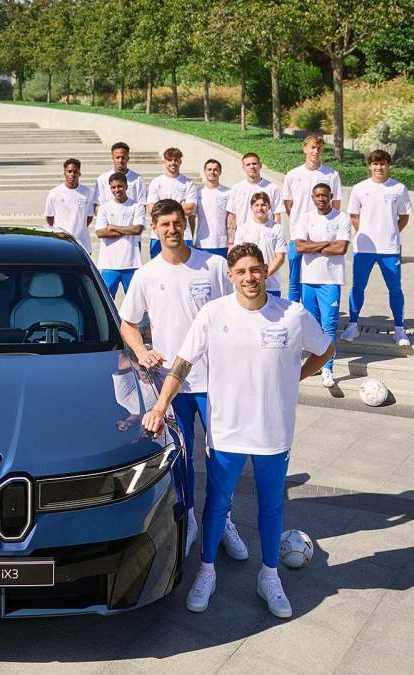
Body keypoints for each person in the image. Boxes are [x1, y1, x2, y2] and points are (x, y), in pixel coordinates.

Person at [142, 243, 334, 620]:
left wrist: (294, 377)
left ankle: (269, 576)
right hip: (227, 430)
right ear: (230, 276)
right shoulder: (214, 313)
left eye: (255, 269)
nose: (250, 277)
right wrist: (160, 406)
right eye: (241, 271)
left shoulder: (292, 315)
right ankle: (207, 571)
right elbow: (182, 363)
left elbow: (325, 349)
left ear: (265, 271)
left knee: (271, 506)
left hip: (273, 431)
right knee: (217, 504)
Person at [119, 199, 248, 560]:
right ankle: (189, 518)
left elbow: (239, 311)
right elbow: (128, 323)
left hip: (217, 380)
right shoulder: (147, 275)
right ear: (155, 229)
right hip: (171, 384)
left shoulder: (214, 266)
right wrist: (142, 351)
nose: (172, 229)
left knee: (222, 455)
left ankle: (223, 520)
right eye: (165, 224)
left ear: (186, 224)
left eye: (177, 222)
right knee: (183, 456)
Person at [342, 149, 413, 347]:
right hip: (364, 249)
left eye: (382, 164)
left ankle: (399, 330)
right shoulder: (359, 188)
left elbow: (404, 216)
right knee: (358, 288)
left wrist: (391, 232)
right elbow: (354, 215)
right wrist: (366, 233)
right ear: (369, 166)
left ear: (388, 165)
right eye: (375, 164)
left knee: (395, 289)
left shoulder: (399, 188)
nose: (379, 167)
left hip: (389, 249)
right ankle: (353, 325)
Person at [295, 184, 351, 388]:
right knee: (312, 325)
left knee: (328, 325)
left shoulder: (342, 217)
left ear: (330, 196)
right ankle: (315, 365)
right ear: (312, 197)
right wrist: (326, 243)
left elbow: (341, 248)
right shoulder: (305, 218)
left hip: (331, 279)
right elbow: (299, 247)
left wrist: (312, 245)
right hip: (309, 279)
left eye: (324, 196)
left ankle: (328, 368)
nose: (321, 199)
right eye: (317, 196)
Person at [283, 136, 343, 303]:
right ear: (305, 149)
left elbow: (336, 205)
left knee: (319, 278)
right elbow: (289, 204)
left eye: (319, 148)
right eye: (312, 147)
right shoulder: (293, 175)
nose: (315, 151)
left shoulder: (332, 175)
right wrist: (301, 224)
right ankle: (294, 310)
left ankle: (316, 311)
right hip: (298, 236)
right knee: (294, 279)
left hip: (322, 237)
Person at [95, 172, 145, 297]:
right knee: (106, 300)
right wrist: (127, 230)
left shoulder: (137, 206)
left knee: (134, 300)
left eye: (120, 186)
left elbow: (137, 229)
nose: (117, 190)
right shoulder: (104, 208)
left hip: (131, 263)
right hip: (109, 264)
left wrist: (113, 227)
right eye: (113, 187)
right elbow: (100, 232)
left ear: (126, 186)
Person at [233, 192, 289, 297]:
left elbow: (280, 258)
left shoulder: (277, 229)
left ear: (269, 207)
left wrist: (263, 276)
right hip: (248, 285)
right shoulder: (242, 229)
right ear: (251, 208)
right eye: (257, 205)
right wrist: (251, 277)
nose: (260, 208)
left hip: (271, 285)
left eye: (263, 205)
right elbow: (238, 258)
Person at [146, 147, 198, 258]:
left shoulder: (188, 183)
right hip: (158, 235)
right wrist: (180, 206)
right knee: (158, 266)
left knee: (185, 265)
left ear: (180, 161)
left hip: (184, 234)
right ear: (164, 161)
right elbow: (151, 209)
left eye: (176, 160)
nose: (173, 163)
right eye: (170, 160)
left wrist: (162, 207)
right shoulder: (156, 182)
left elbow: (190, 208)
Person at [225, 153, 284, 246]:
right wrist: (231, 242)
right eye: (248, 164)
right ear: (243, 167)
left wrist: (276, 238)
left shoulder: (273, 188)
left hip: (266, 238)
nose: (252, 167)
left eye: (254, 164)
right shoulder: (236, 188)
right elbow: (232, 216)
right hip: (243, 238)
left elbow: (277, 216)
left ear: (260, 165)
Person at [44, 158, 95, 252]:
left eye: (75, 172)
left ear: (79, 174)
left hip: (82, 243)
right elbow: (49, 217)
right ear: (64, 173)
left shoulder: (88, 193)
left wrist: (79, 229)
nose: (72, 174)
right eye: (69, 171)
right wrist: (59, 231)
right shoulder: (54, 193)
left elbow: (89, 217)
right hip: (61, 241)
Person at [194, 159, 231, 257]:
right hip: (202, 243)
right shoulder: (197, 192)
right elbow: (191, 217)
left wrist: (231, 241)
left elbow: (231, 218)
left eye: (215, 170)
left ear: (220, 172)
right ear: (204, 171)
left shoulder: (228, 192)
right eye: (209, 169)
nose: (212, 172)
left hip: (222, 243)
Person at [95, 142, 145, 213]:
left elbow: (142, 204)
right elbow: (97, 205)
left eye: (123, 157)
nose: (120, 160)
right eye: (117, 157)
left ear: (128, 158)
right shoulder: (102, 179)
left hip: (131, 218)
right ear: (112, 158)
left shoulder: (138, 179)